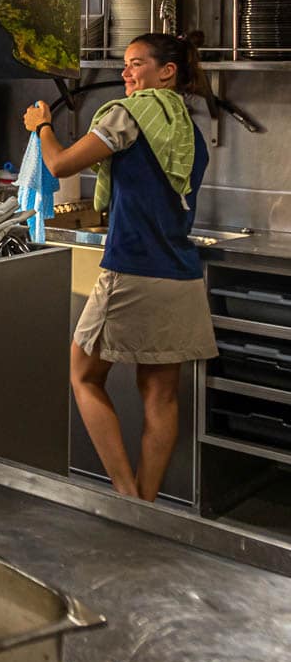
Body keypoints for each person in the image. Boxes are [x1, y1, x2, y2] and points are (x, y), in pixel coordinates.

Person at [23, 33, 217, 501]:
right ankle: (147, 508)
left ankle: (126, 498)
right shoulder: (188, 129)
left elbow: (63, 165)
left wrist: (41, 126)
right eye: (125, 65)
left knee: (83, 375)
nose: (126, 73)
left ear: (166, 72)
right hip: (180, 273)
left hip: (131, 268)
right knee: (160, 395)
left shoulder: (128, 114)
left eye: (135, 64)